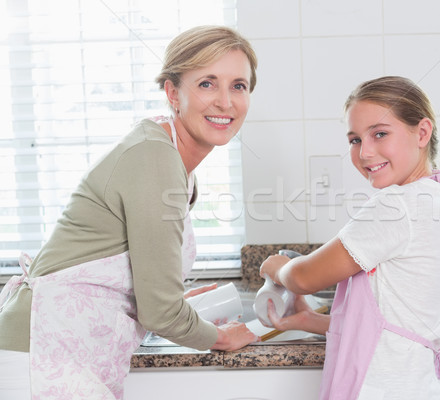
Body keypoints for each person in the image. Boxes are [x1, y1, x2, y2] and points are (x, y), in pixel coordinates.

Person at [0, 25, 259, 399]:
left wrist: (176, 300)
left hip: (55, 351)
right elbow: (159, 314)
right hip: (41, 356)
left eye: (239, 85)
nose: (225, 101)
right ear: (173, 92)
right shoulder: (155, 157)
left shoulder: (164, 154)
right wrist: (219, 336)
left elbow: (120, 278)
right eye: (207, 83)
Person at [260, 76, 440, 400]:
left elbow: (303, 278)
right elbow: (388, 324)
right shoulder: (433, 196)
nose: (365, 152)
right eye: (355, 139)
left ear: (422, 133)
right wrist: (307, 320)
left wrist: (277, 267)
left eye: (380, 134)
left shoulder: (396, 205)